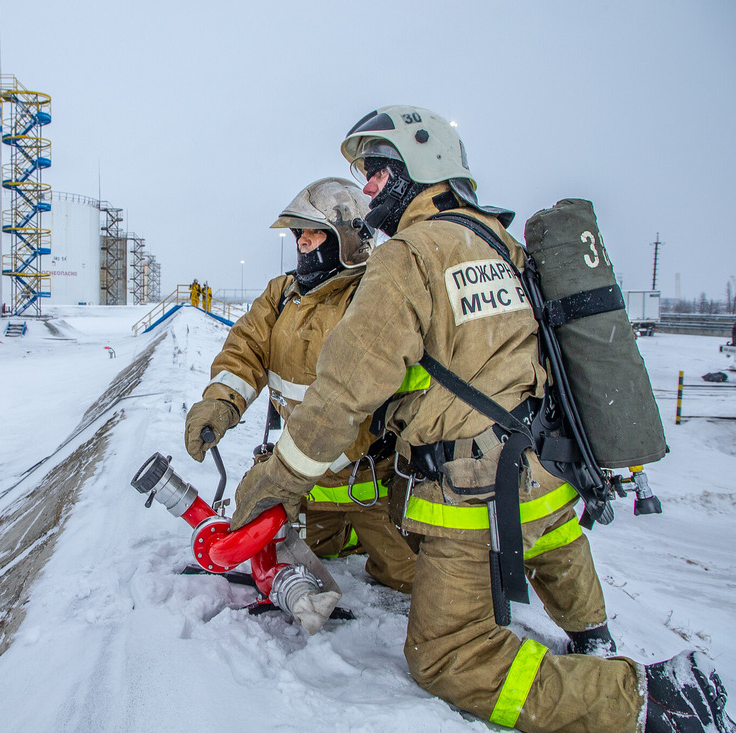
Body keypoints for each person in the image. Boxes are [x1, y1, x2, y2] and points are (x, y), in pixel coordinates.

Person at [229, 106, 733, 732]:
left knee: (449, 655)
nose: (366, 189)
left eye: (377, 172)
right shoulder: (499, 241)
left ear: (422, 165)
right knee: (551, 540)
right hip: (541, 468)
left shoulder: (408, 255)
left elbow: (344, 391)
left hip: (470, 491)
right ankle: (593, 637)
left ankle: (642, 700)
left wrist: (280, 477)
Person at [184, 177, 417, 592]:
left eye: (315, 231)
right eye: (299, 232)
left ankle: (365, 537)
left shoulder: (376, 293)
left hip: (372, 480)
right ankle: (342, 536)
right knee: (306, 558)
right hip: (305, 481)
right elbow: (246, 350)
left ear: (348, 238)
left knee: (408, 579)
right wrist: (221, 402)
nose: (303, 241)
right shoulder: (281, 294)